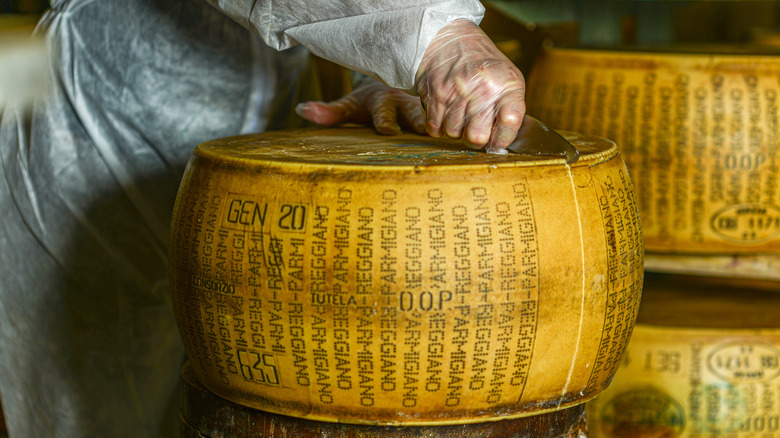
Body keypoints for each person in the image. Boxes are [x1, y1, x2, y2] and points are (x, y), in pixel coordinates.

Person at [0, 0, 526, 436]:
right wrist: (432, 34)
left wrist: (370, 70)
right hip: (105, 119)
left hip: (260, 135)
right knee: (96, 398)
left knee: (231, 399)